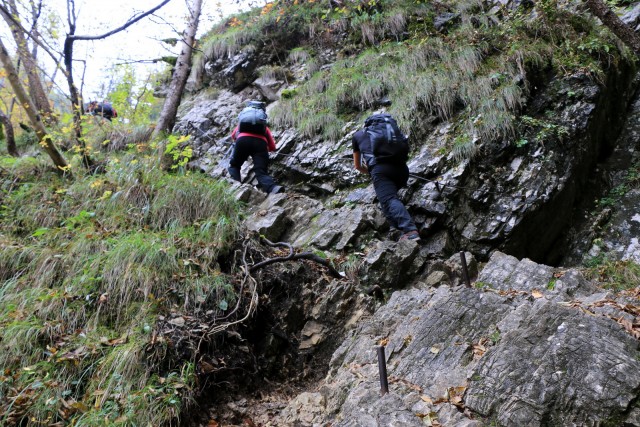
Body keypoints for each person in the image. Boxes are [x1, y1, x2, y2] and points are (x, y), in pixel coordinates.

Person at [352, 113, 419, 241]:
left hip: (381, 170)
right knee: (385, 200)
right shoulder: (389, 132)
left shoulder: (358, 136)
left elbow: (358, 166)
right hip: (402, 169)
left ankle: (410, 231)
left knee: (389, 199)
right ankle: (397, 231)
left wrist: (370, 171)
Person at [228, 101, 283, 194]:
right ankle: (273, 188)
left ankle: (236, 187)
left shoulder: (242, 124)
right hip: (260, 144)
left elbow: (233, 136)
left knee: (235, 165)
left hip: (242, 141)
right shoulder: (264, 127)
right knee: (260, 171)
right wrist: (263, 151)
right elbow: (273, 147)